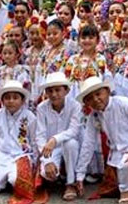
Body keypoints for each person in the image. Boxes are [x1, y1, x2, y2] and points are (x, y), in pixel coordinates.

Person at [76, 76, 128, 204]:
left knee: (125, 166)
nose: (96, 100)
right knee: (113, 184)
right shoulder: (94, 116)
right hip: (115, 152)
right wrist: (80, 174)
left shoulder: (124, 103)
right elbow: (88, 144)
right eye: (90, 98)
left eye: (98, 94)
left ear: (108, 91)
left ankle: (126, 192)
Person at [0, 80, 38, 198]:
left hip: (21, 156)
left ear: (22, 100)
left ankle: (12, 178)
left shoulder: (30, 117)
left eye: (15, 97)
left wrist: (35, 162)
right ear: (2, 100)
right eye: (7, 98)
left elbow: (34, 141)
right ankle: (5, 178)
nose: (11, 101)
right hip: (2, 156)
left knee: (15, 181)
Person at [36, 72, 82, 201]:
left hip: (70, 146)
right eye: (50, 91)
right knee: (48, 175)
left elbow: (74, 130)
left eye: (58, 90)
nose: (54, 94)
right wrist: (47, 161)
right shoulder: (41, 108)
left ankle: (70, 183)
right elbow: (40, 136)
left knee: (70, 143)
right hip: (50, 149)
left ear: (66, 90)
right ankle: (60, 174)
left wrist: (55, 139)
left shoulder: (75, 106)